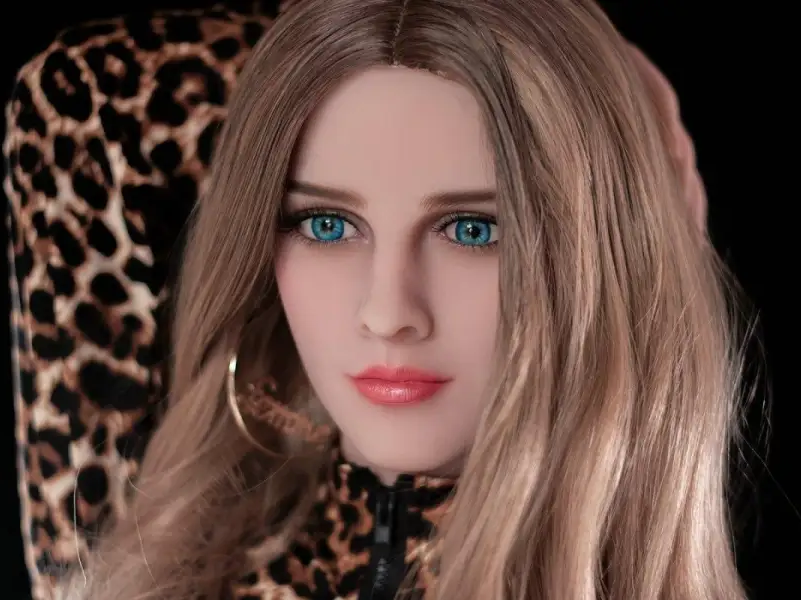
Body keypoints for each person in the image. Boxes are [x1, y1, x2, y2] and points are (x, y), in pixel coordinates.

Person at [52, 0, 745, 598]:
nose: (388, 314)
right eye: (327, 225)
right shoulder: (170, 545)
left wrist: (600, 94)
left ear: (602, 256)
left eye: (472, 230)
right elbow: (81, 94)